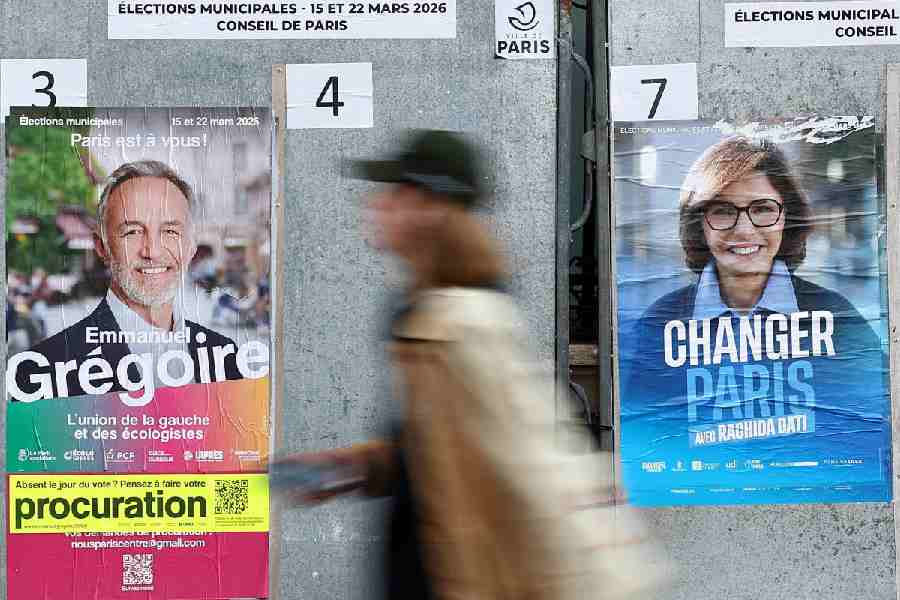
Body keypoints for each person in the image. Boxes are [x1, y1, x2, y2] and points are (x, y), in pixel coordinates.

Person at [276, 131, 662, 600]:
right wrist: (359, 466)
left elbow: (527, 470)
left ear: (427, 207)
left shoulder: (463, 326)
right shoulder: (428, 314)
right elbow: (440, 448)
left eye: (394, 192)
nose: (376, 204)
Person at [622, 137, 889, 497]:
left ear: (787, 218)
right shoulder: (658, 325)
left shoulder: (836, 317)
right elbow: (641, 456)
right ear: (698, 222)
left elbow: (876, 441)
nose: (744, 230)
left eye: (762, 209)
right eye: (722, 210)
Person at [11, 160, 242, 400]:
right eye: (132, 232)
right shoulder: (42, 372)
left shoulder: (227, 359)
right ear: (102, 247)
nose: (152, 251)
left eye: (170, 231)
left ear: (191, 245)